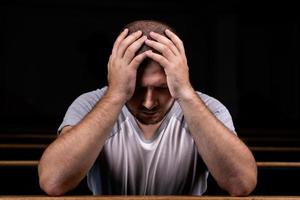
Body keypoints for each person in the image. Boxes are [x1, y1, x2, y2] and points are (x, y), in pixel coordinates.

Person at [38, 20, 257, 196]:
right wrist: (116, 94)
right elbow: (53, 182)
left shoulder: (210, 108)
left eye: (162, 87)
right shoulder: (89, 105)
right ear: (116, 73)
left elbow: (242, 183)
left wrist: (185, 93)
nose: (149, 102)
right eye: (137, 89)